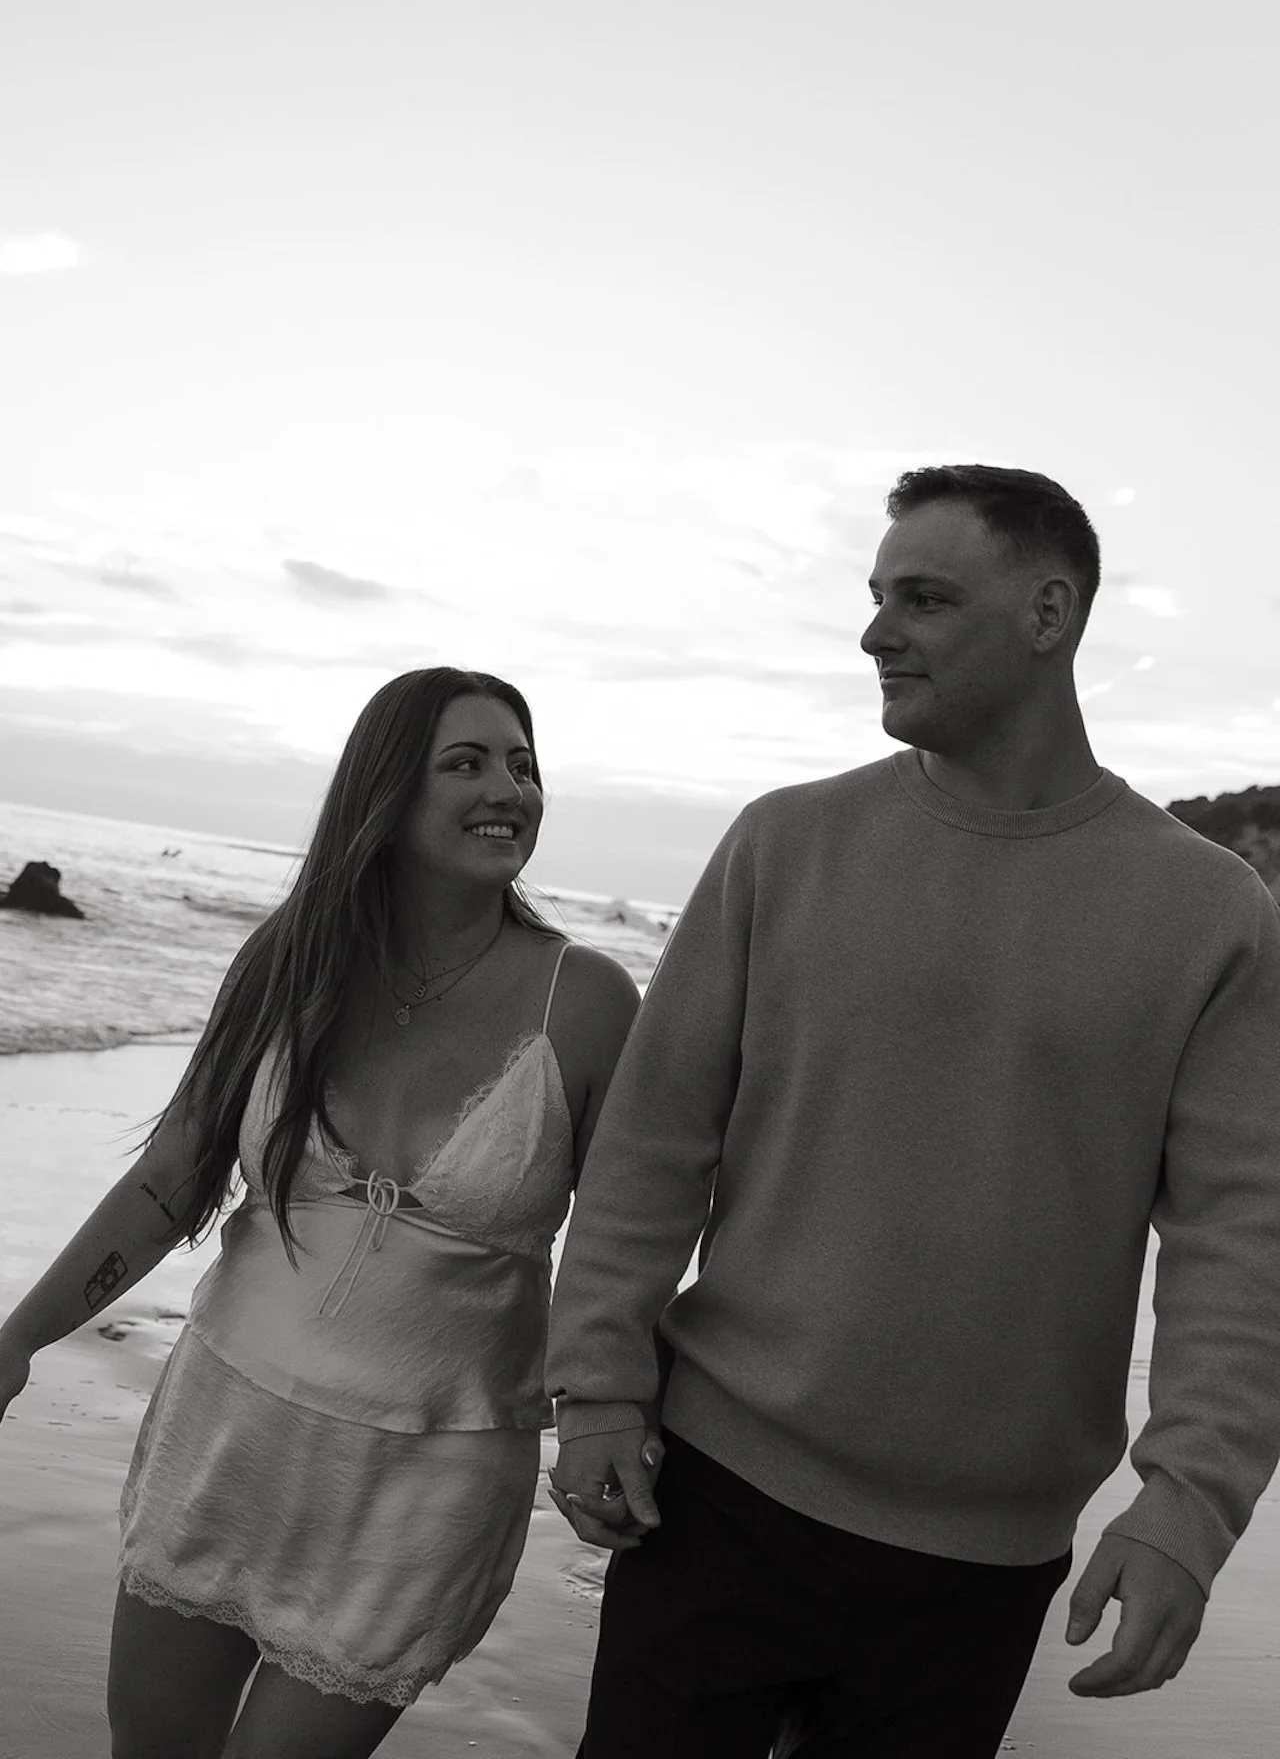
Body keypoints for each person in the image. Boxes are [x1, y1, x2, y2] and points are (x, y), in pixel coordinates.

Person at [545, 466, 1280, 1759]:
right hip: (713, 1497)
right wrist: (597, 1388)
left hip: (980, 1564)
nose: (877, 633)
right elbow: (652, 1149)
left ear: (1050, 616)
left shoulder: (1210, 916)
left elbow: (1244, 1238)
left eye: (925, 599)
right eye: (878, 598)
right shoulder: (785, 845)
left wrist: (1189, 1503)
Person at [0, 666, 639, 1759]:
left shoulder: (580, 1000)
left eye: (525, 765)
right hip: (226, 1433)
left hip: (424, 1485)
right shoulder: (291, 961)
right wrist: (18, 1338)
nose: (511, 789)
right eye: (468, 762)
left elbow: (628, 1243)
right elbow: (173, 1180)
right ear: (385, 794)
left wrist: (609, 1414)